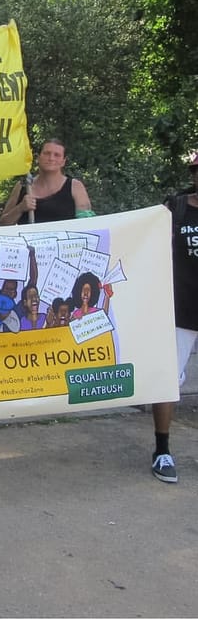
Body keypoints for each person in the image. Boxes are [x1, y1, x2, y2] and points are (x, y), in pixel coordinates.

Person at [150, 152, 198, 484]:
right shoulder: (176, 208)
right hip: (181, 307)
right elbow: (148, 244)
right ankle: (162, 451)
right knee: (167, 379)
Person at [0, 138, 93, 225]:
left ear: (63, 161)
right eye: (47, 153)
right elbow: (3, 224)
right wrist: (20, 208)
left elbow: (87, 223)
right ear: (38, 157)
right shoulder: (23, 186)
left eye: (57, 155)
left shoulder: (74, 186)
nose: (51, 158)